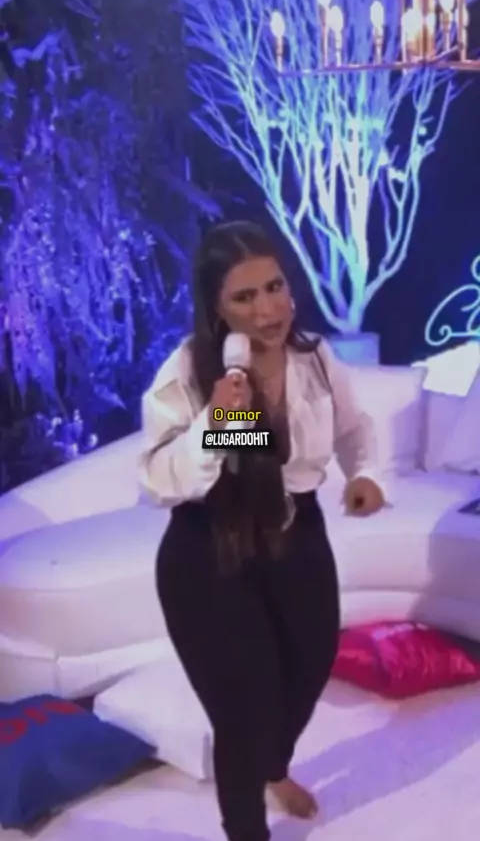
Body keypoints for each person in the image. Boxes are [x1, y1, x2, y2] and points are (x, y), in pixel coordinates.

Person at [138, 221, 385, 841]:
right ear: (216, 308)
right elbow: (159, 480)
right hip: (210, 547)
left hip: (296, 532)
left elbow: (355, 427)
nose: (268, 309)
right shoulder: (188, 372)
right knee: (245, 708)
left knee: (310, 665)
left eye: (274, 286)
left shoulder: (315, 358)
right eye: (244, 297)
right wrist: (217, 422)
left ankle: (273, 767)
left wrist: (365, 473)